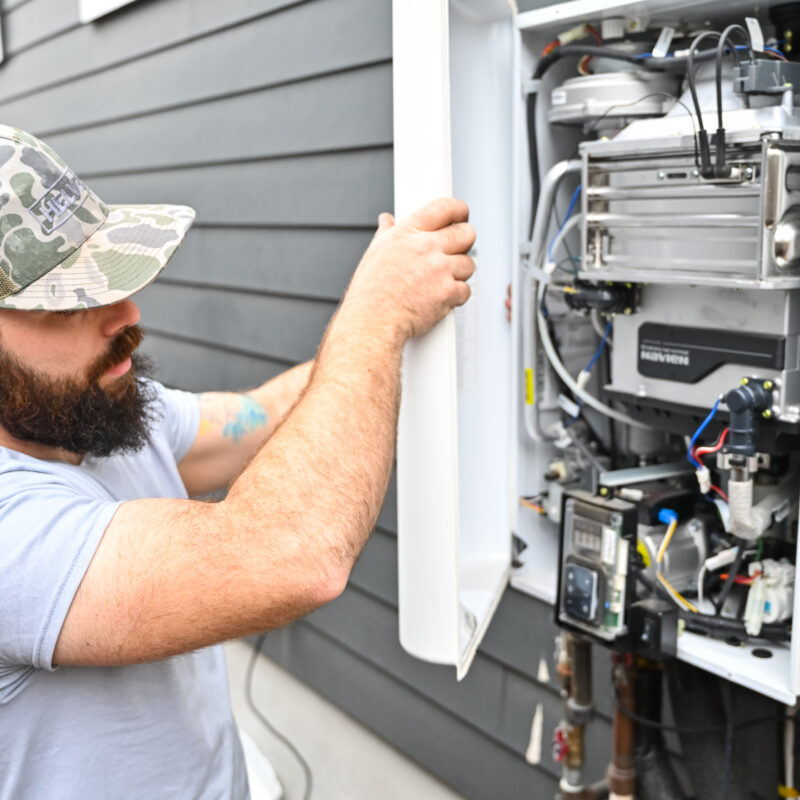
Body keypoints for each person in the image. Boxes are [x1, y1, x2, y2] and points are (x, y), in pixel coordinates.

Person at [0, 125, 476, 798]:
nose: (126, 312)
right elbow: (290, 554)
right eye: (67, 303)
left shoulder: (89, 410)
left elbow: (258, 416)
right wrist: (377, 315)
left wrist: (398, 324)